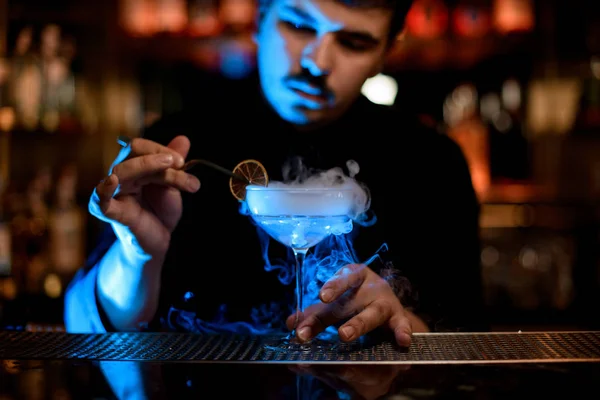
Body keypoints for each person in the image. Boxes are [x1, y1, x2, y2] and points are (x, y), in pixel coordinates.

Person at [65, 0, 487, 351]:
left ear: (387, 51)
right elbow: (80, 324)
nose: (318, 62)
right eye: (300, 25)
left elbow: (471, 338)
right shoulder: (177, 148)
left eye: (354, 42)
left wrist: (401, 322)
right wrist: (136, 258)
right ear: (260, 18)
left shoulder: (434, 165)